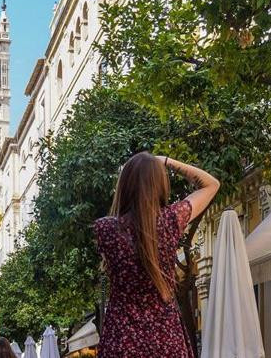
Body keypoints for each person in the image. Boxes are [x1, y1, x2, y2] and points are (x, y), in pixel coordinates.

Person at [93, 153, 220, 357]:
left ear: (124, 185)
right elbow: (211, 184)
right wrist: (169, 161)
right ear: (160, 184)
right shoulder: (171, 220)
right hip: (166, 336)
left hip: (121, 338)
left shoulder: (106, 228)